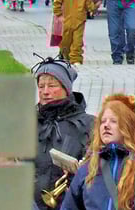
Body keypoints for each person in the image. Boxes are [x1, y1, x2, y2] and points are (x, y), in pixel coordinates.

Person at [61, 94, 135, 210]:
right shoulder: (88, 167)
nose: (106, 126)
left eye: (114, 121)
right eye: (103, 121)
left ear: (128, 126)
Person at [33, 58, 95, 210]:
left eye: (52, 86)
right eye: (41, 86)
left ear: (66, 89)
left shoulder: (88, 124)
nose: (45, 92)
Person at [54, 0, 96, 64]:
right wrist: (59, 14)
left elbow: (90, 6)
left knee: (77, 42)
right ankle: (64, 56)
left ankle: (76, 59)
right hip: (66, 22)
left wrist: (92, 9)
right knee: (65, 41)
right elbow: (56, 3)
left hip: (79, 22)